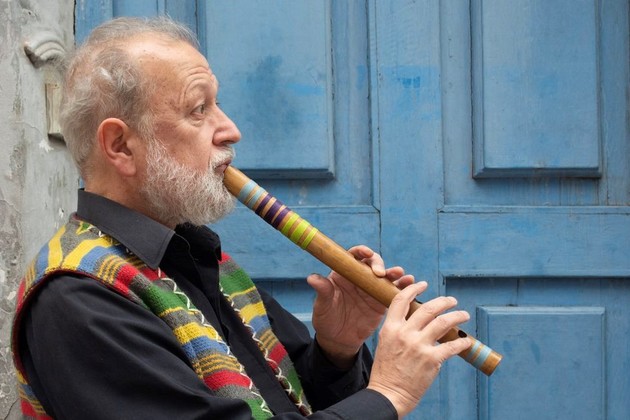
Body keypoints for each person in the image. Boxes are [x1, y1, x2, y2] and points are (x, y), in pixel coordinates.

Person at [11, 16, 471, 419]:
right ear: (121, 146)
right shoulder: (77, 301)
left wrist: (337, 348)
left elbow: (285, 401)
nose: (230, 130)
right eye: (199, 110)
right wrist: (389, 394)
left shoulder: (199, 259)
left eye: (217, 104)